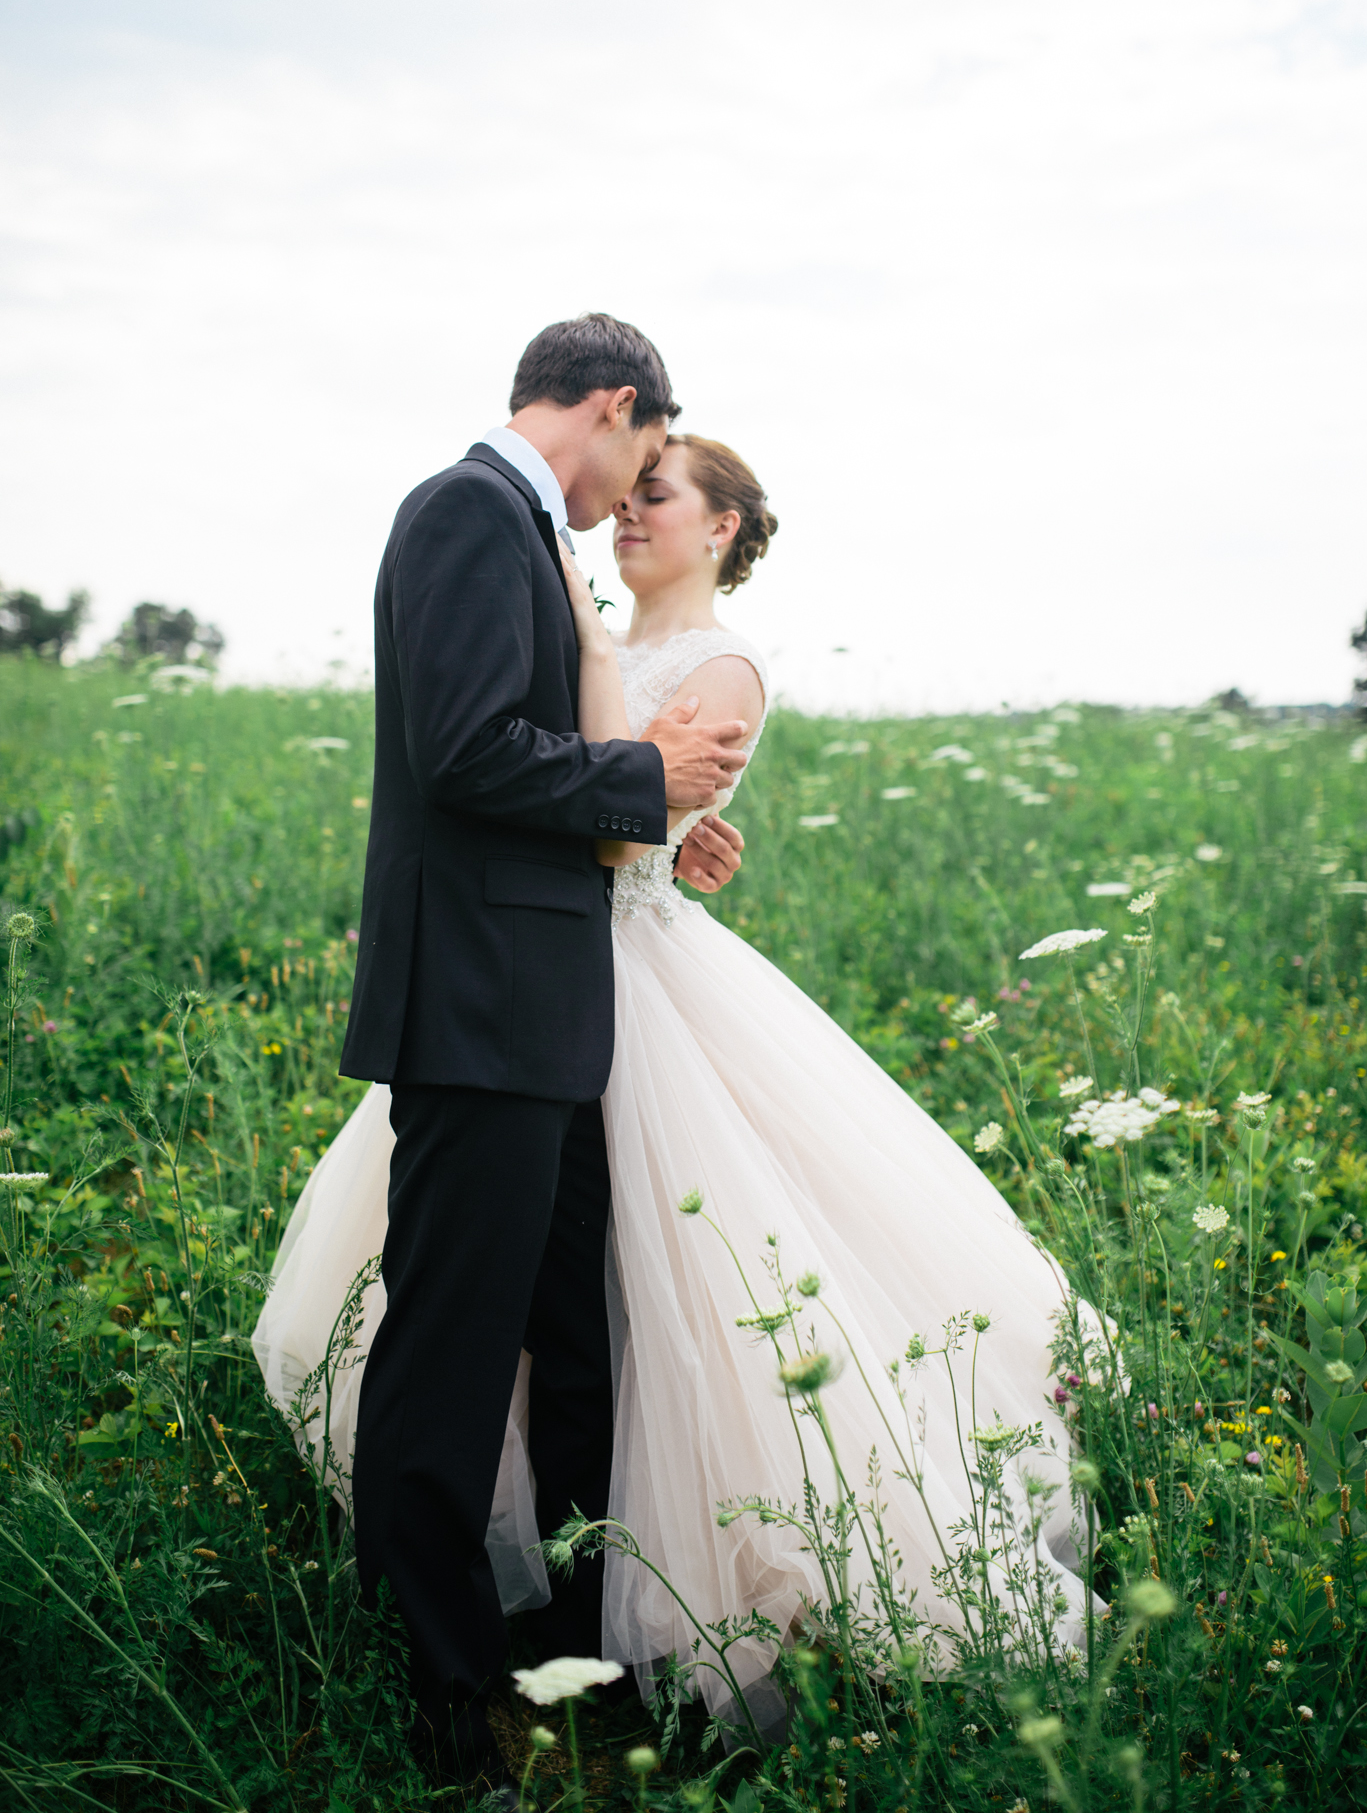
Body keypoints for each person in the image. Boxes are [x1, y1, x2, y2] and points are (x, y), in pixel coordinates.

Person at [256, 427, 1093, 1760]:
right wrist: (627, 757)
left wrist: (615, 730)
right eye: (629, 494)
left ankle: (643, 1588)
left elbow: (604, 825)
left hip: (629, 987)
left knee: (638, 1296)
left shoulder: (718, 664)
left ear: (720, 531)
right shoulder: (588, 622)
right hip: (535, 972)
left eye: (659, 500)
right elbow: (595, 785)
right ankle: (510, 1573)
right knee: (512, 1288)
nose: (630, 516)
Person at [285, 313, 752, 1790]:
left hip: (544, 1008)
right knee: (449, 1350)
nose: (632, 497)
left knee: (571, 1344)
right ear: (613, 406)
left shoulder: (512, 525)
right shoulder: (469, 511)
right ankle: (441, 1681)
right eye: (644, 459)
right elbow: (469, 750)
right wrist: (646, 772)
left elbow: (534, 755)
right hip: (480, 1009)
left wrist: (656, 812)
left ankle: (572, 1627)